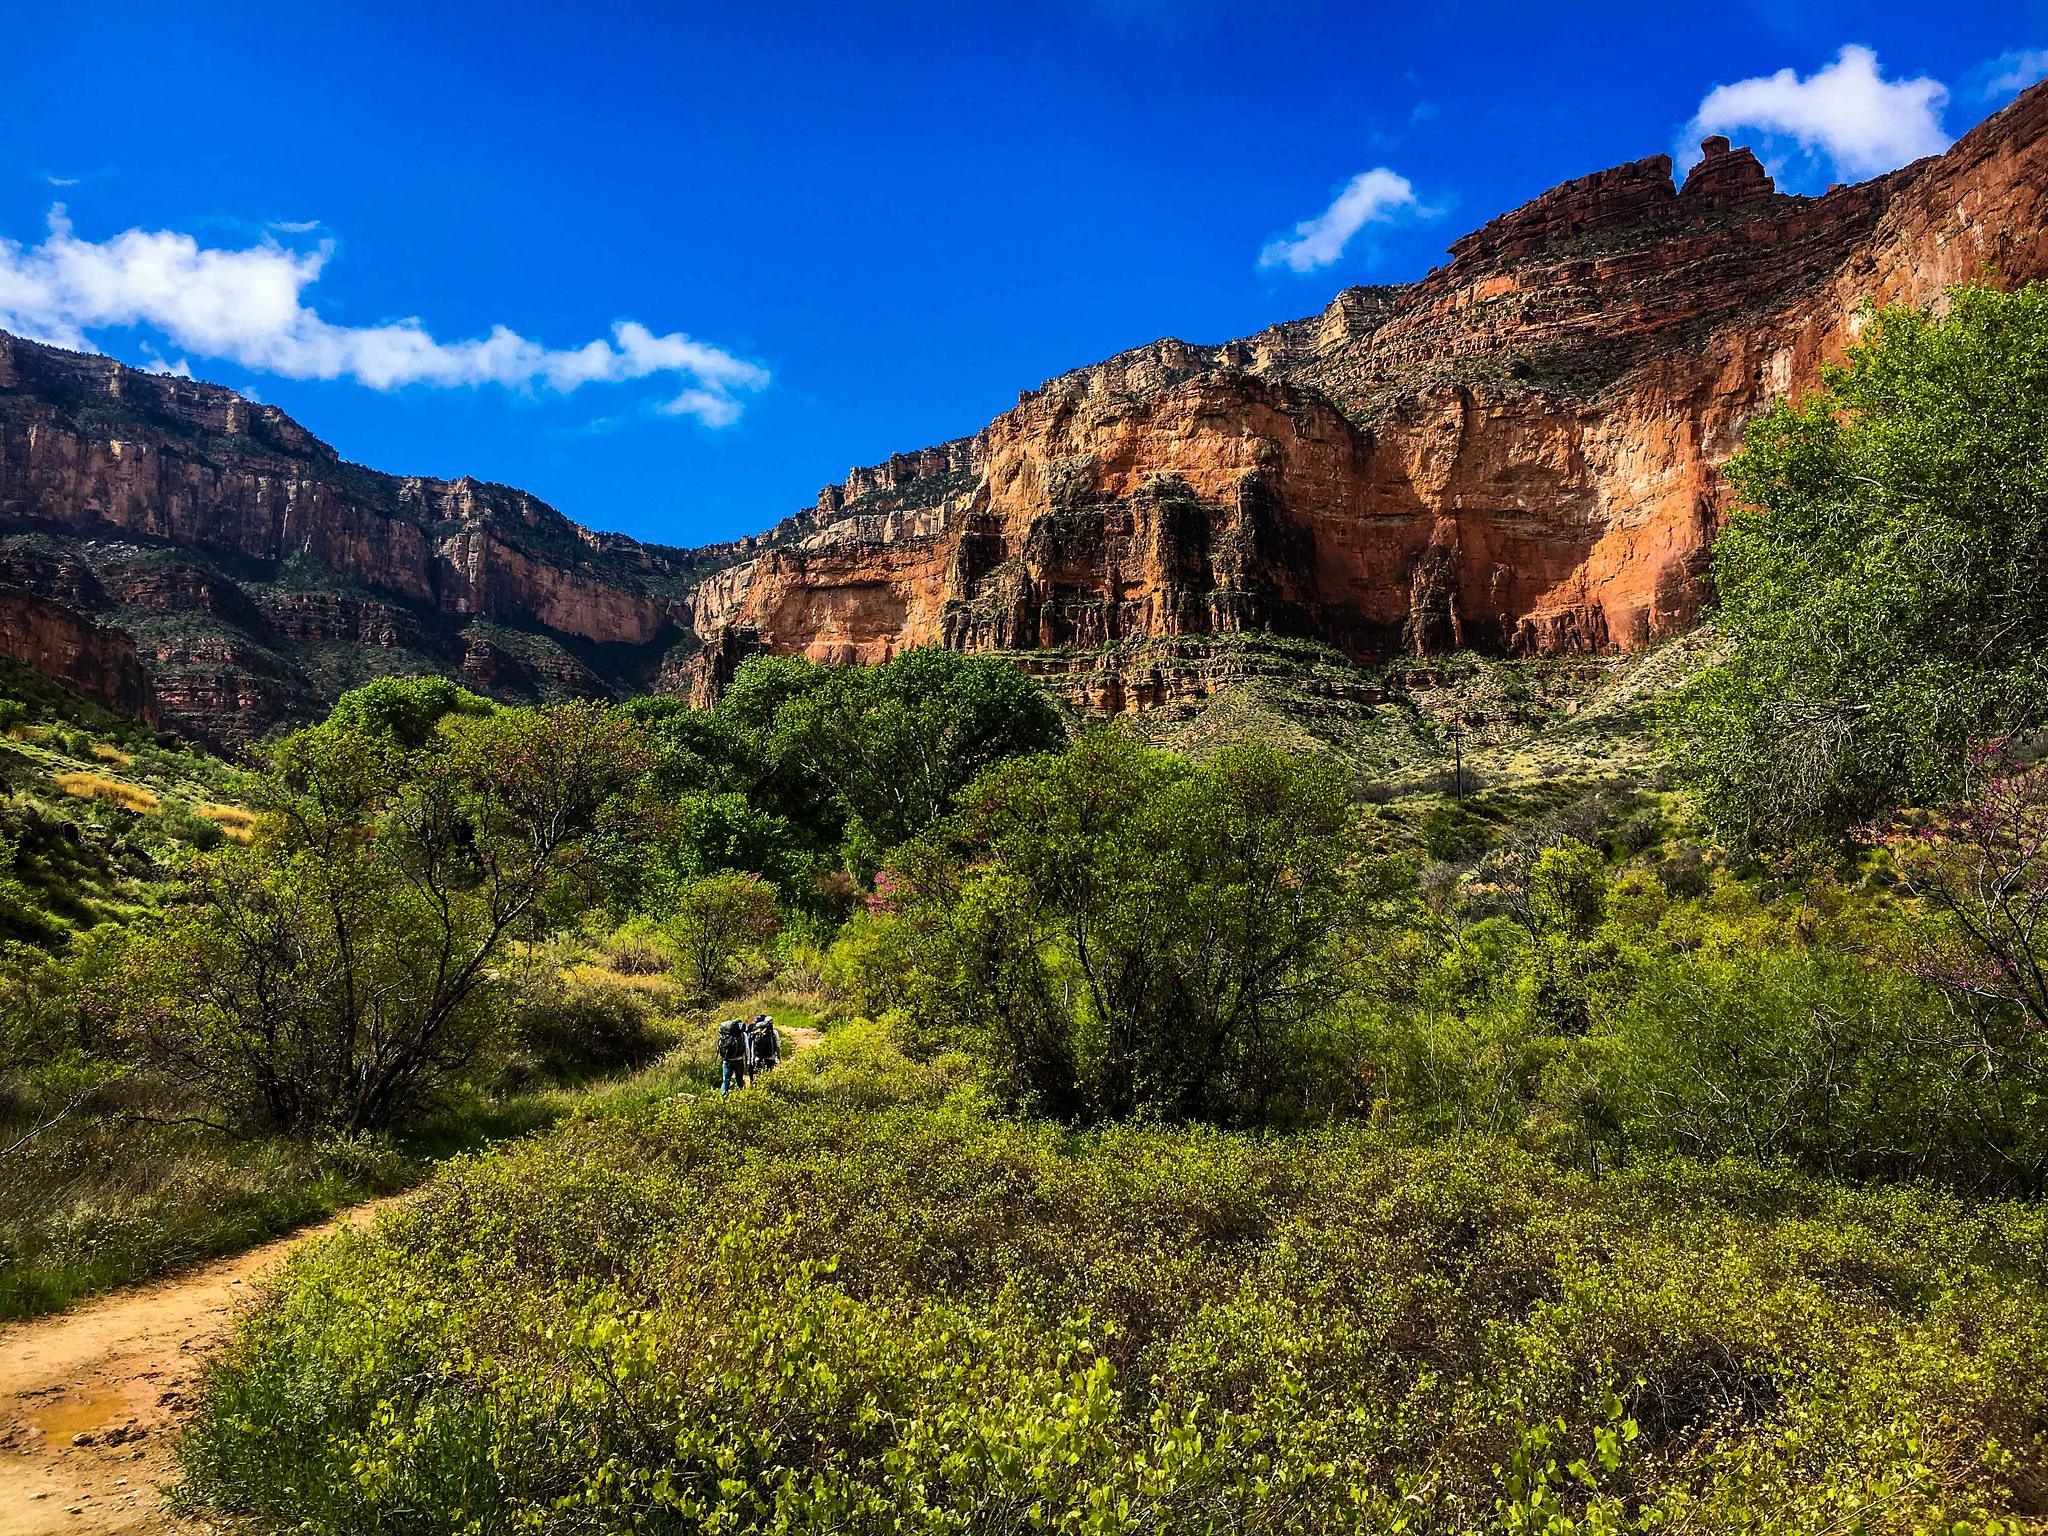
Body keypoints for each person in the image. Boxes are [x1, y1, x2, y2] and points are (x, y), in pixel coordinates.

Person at [716, 1016, 750, 1096]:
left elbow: (720, 1046)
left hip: (727, 1060)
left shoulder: (725, 1034)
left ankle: (723, 1097)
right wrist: (748, 1061)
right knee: (739, 1080)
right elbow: (747, 1049)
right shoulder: (742, 1034)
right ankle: (740, 1097)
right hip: (739, 1060)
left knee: (726, 1080)